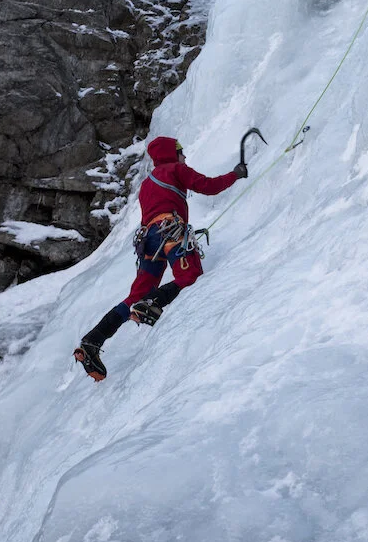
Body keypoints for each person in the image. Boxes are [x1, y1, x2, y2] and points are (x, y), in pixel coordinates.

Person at [74, 136, 247, 380]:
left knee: (137, 295)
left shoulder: (147, 184)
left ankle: (93, 339)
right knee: (190, 275)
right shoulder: (176, 169)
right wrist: (235, 175)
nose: (185, 157)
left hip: (148, 241)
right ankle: (152, 303)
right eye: (181, 152)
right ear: (172, 153)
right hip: (171, 232)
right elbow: (207, 186)